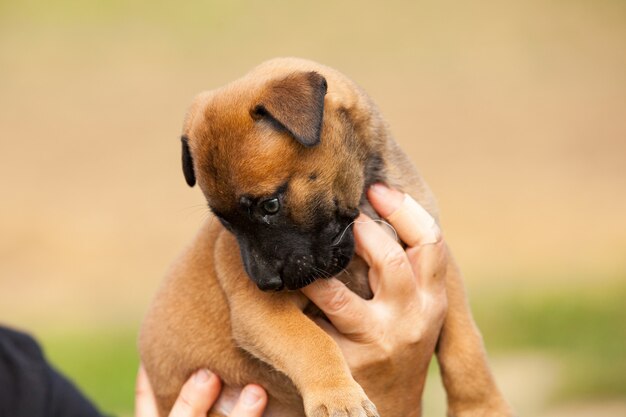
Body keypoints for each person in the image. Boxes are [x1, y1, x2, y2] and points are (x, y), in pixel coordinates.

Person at [135, 183, 448, 417]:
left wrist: (475, 397)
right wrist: (330, 380)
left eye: (270, 205)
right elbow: (256, 316)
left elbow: (436, 273)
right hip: (225, 387)